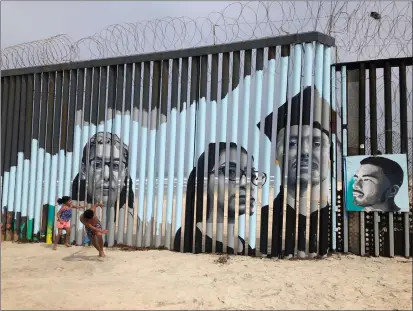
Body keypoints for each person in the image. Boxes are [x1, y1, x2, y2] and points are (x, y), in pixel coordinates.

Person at [174, 142, 266, 255]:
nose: (245, 183)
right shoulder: (189, 239)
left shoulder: (243, 245)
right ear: (205, 181)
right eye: (231, 172)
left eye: (251, 176)